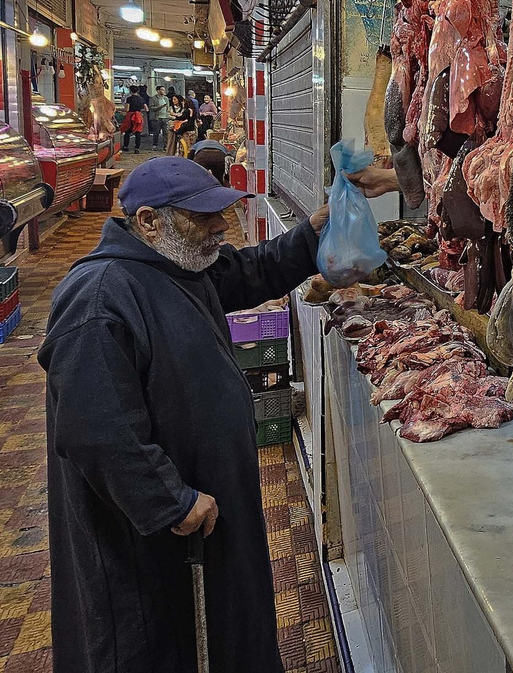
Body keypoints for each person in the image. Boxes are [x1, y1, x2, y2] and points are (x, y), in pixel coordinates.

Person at [40, 157, 372, 673]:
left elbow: (249, 271)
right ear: (149, 221)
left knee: (224, 635)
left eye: (220, 213)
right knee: (159, 646)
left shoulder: (175, 266)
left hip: (208, 511)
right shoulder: (101, 298)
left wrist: (314, 231)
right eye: (204, 217)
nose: (221, 227)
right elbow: (97, 431)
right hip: (150, 539)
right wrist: (168, 502)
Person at [122, 85, 148, 153]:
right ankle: (137, 148)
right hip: (139, 116)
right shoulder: (142, 99)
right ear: (138, 91)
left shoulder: (129, 99)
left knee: (127, 132)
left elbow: (127, 109)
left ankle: (125, 146)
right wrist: (139, 110)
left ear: (130, 91)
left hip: (130, 115)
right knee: (138, 132)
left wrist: (121, 110)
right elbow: (146, 109)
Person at [148, 85, 171, 151]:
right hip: (156, 118)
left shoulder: (166, 98)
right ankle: (155, 145)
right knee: (156, 132)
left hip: (165, 117)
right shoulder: (153, 98)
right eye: (162, 90)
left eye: (164, 90)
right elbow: (151, 108)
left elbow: (168, 107)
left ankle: (166, 146)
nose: (164, 91)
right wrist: (160, 107)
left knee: (165, 132)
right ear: (158, 91)